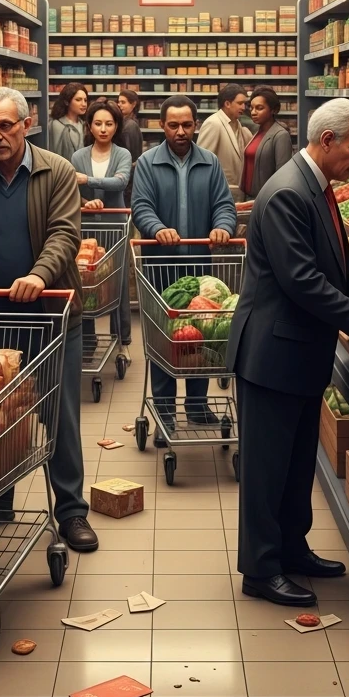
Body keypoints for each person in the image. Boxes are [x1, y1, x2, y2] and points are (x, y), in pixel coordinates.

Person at [227, 99, 349, 607]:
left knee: (297, 461)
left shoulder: (316, 187)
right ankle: (261, 570)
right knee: (266, 470)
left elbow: (331, 266)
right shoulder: (287, 192)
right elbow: (301, 278)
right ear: (326, 141)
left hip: (299, 351)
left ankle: (291, 549)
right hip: (273, 353)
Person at [0, 88, 99, 552]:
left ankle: (71, 512)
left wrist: (39, 275)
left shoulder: (56, 172)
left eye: (5, 126)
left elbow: (65, 233)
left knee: (60, 417)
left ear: (26, 123)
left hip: (50, 318)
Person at [131, 96, 237, 446]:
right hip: (160, 269)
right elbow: (141, 206)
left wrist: (223, 226)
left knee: (201, 339)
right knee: (165, 341)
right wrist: (156, 227)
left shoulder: (209, 163)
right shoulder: (147, 163)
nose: (180, 131)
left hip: (199, 269)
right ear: (162, 126)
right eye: (173, 125)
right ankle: (164, 411)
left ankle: (196, 404)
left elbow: (224, 205)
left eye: (187, 125)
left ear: (196, 125)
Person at [72, 98, 134, 364]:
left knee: (116, 286)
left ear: (116, 126)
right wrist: (87, 201)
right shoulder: (78, 156)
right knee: (85, 283)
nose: (103, 128)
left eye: (109, 123)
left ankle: (122, 342)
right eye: (98, 123)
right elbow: (72, 189)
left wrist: (89, 180)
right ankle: (87, 342)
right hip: (86, 228)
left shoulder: (122, 154)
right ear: (89, 125)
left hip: (115, 227)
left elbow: (120, 182)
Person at [196, 83, 252, 202]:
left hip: (236, 196)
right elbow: (202, 163)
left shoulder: (238, 124)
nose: (243, 107)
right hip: (219, 195)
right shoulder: (213, 123)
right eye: (240, 103)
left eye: (245, 104)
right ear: (227, 104)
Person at [242, 86, 294, 200]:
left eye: (259, 108)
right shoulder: (258, 132)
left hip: (266, 199)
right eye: (251, 108)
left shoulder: (281, 135)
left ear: (273, 110)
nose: (253, 112)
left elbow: (282, 175)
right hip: (249, 197)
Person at [117, 88, 144, 206]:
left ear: (133, 104)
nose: (119, 105)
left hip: (127, 176)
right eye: (119, 102)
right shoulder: (126, 123)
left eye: (123, 102)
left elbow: (130, 155)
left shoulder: (130, 126)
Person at [49, 81, 88, 161]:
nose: (83, 104)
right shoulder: (56, 125)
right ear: (67, 102)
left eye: (85, 100)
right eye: (78, 100)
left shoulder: (85, 125)